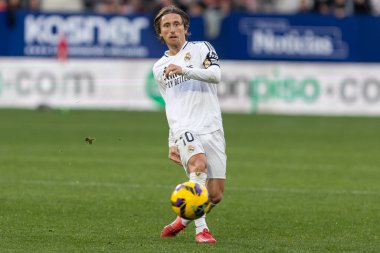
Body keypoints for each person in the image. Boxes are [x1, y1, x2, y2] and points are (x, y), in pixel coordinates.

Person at [152, 5, 227, 244]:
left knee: (215, 195)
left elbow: (215, 75)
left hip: (212, 126)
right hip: (185, 128)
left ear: (186, 28)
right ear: (160, 33)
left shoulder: (202, 48)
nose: (172, 29)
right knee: (198, 166)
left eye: (176, 24)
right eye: (166, 26)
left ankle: (183, 220)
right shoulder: (158, 68)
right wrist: (172, 140)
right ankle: (201, 231)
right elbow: (169, 103)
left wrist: (184, 69)